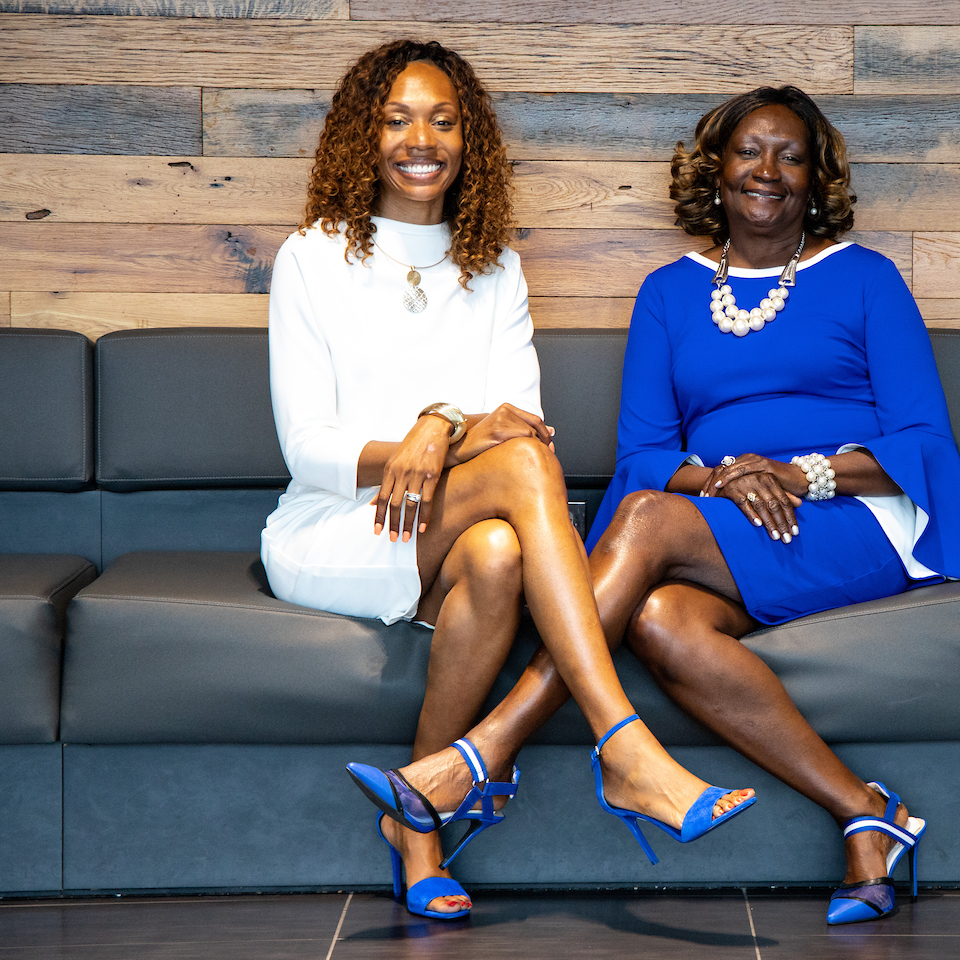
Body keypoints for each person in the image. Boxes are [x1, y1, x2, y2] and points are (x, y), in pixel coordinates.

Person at [377, 84, 960, 925]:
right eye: (750, 152)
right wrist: (725, 478)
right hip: (725, 515)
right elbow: (643, 455)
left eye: (791, 155)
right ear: (716, 169)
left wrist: (798, 474)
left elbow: (922, 442)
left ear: (818, 179)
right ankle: (869, 814)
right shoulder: (670, 292)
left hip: (853, 518)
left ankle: (486, 750)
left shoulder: (867, 279)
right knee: (662, 617)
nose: (768, 171)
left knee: (637, 524)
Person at [260, 39, 755, 922]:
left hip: (450, 528)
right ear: (361, 137)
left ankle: (417, 823)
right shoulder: (313, 258)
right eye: (399, 118)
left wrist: (436, 427)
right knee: (513, 486)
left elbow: (518, 429)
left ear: (470, 141)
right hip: (334, 527)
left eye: (444, 120)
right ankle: (624, 744)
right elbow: (309, 450)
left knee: (495, 553)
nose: (423, 138)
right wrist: (437, 432)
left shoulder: (495, 269)